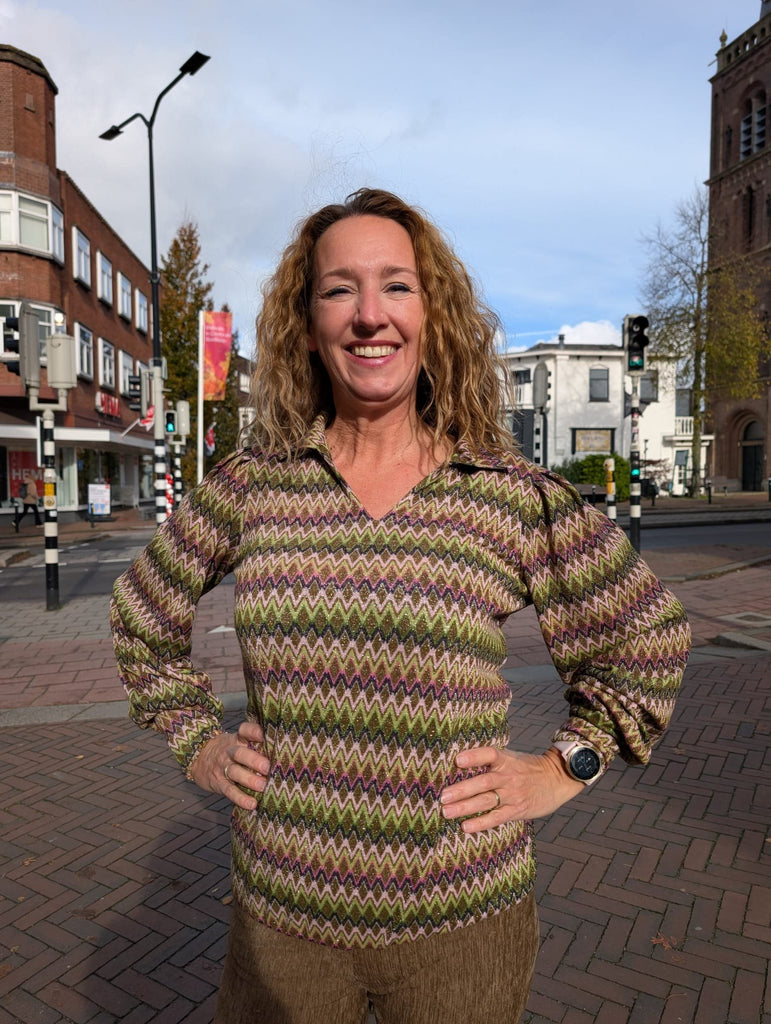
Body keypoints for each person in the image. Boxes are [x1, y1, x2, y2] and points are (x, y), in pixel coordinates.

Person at [111, 188, 690, 1024]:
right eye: (338, 289)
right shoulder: (253, 485)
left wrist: (567, 765)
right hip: (283, 922)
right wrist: (196, 742)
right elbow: (141, 616)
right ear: (308, 323)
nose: (368, 315)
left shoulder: (505, 493)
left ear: (432, 314)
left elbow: (644, 635)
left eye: (396, 286)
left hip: (464, 925)